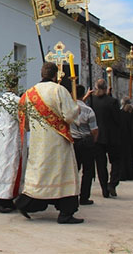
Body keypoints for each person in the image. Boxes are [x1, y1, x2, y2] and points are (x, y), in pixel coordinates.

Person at [15, 62, 82, 224]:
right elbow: (69, 115)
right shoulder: (59, 90)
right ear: (56, 75)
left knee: (40, 176)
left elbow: (23, 121)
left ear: (41, 73)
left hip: (39, 143)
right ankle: (66, 213)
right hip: (58, 141)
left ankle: (25, 204)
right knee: (64, 175)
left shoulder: (29, 93)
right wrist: (77, 108)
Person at [0, 75, 21, 213]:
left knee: (1, 166)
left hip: (0, 138)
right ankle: (1, 199)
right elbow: (22, 118)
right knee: (9, 167)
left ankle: (1, 197)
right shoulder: (16, 100)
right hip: (11, 137)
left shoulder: (0, 100)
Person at [91, 78, 122, 198]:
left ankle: (104, 188)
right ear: (106, 88)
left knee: (100, 164)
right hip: (112, 136)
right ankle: (112, 183)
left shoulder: (92, 101)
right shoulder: (112, 101)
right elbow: (117, 119)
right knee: (116, 161)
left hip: (97, 137)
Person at [70, 85, 99, 205]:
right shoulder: (88, 111)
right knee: (87, 171)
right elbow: (94, 130)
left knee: (73, 170)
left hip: (73, 141)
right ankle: (84, 196)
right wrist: (94, 141)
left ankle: (71, 195)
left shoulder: (69, 108)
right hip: (86, 142)